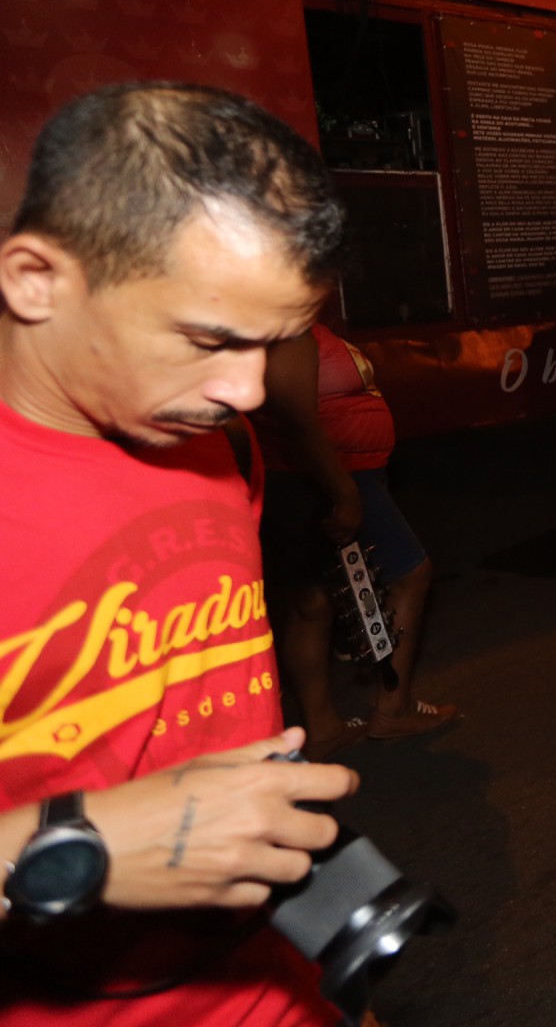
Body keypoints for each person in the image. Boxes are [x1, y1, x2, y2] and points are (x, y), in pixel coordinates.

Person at [0, 83, 360, 1023]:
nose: (245, 390)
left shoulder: (221, 443)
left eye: (272, 347)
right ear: (37, 278)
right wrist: (76, 846)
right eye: (208, 340)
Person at [255, 324, 457, 757]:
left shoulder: (300, 325)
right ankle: (394, 710)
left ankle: (323, 727)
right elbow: (298, 425)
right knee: (411, 575)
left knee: (311, 601)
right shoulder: (288, 332)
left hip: (310, 478)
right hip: (329, 478)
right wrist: (344, 493)